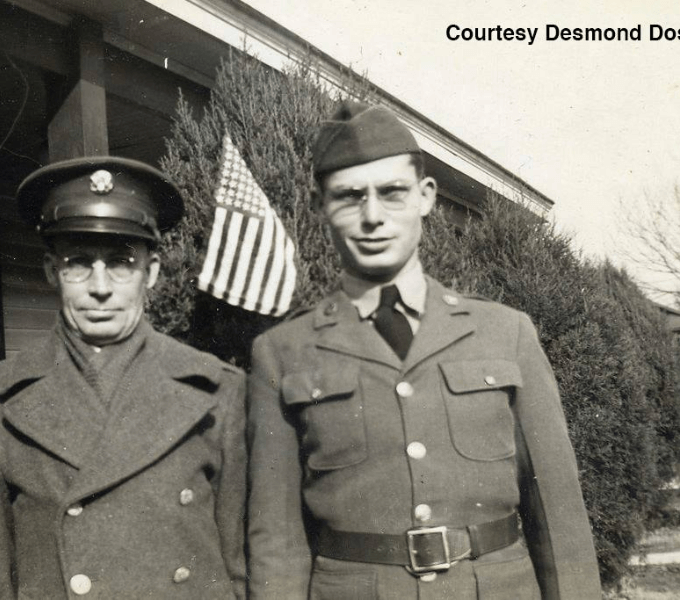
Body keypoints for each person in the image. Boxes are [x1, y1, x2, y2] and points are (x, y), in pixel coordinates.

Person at [247, 101, 602, 599]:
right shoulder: (283, 352)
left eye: (392, 193)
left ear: (426, 196)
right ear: (318, 206)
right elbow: (277, 538)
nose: (373, 217)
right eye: (349, 197)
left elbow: (558, 514)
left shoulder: (506, 332)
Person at [0, 157, 246, 598]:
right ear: (53, 272)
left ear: (151, 273)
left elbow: (239, 566)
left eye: (121, 263)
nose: (100, 287)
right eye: (79, 263)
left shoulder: (217, 390)